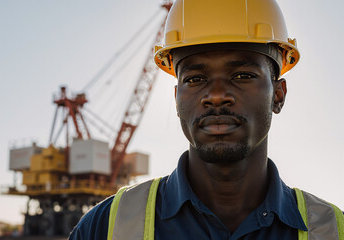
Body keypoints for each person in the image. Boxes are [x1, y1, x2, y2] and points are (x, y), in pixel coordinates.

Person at [69, 0, 344, 239]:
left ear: (279, 95)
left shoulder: (332, 229)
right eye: (195, 79)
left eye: (243, 75)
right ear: (177, 99)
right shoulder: (102, 228)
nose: (216, 95)